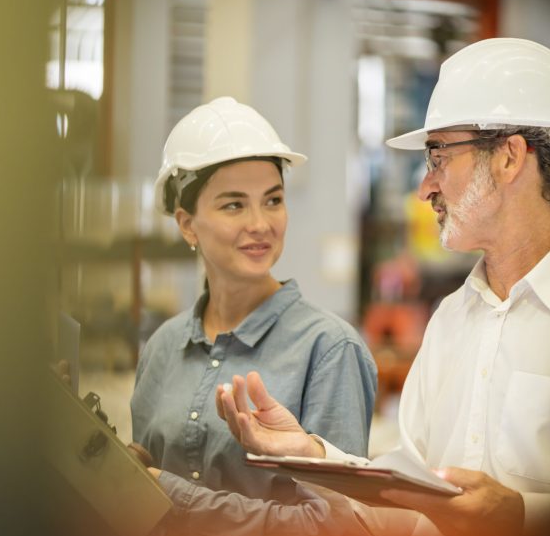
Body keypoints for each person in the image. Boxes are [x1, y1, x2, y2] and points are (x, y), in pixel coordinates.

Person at [157, 38, 550, 536]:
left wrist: (521, 516)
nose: (425, 187)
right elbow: (404, 506)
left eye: (439, 156)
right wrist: (309, 453)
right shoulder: (453, 318)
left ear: (509, 157)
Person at [132, 96, 376, 503]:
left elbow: (340, 526)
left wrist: (171, 497)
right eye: (234, 205)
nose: (261, 224)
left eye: (273, 200)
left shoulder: (329, 349)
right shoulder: (162, 348)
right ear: (188, 225)